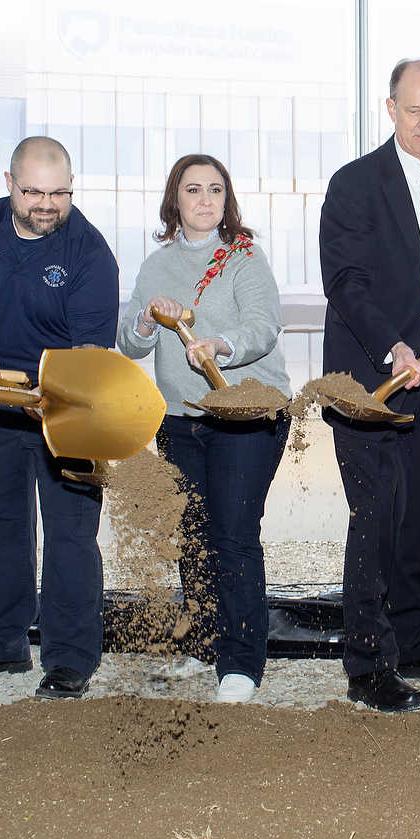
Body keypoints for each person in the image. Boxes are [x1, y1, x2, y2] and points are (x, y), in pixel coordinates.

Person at [0, 136, 118, 701]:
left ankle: (70, 657)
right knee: (1, 522)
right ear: (9, 183)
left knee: (70, 535)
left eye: (59, 192)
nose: (47, 204)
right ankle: (1, 643)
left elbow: (90, 359)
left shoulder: (88, 251)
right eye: (33, 190)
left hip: (68, 410)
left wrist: (49, 397)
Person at [319, 58, 420, 713]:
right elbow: (346, 282)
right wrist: (394, 346)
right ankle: (367, 663)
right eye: (412, 109)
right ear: (389, 109)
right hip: (369, 384)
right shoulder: (355, 183)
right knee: (377, 520)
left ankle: (419, 641)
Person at [118, 154, 291, 704]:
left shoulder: (243, 256)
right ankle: (204, 643)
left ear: (227, 199)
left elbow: (264, 326)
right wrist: (148, 318)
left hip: (247, 414)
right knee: (192, 535)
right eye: (193, 190)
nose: (205, 199)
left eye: (215, 189)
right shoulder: (155, 266)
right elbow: (131, 342)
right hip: (179, 417)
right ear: (175, 200)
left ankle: (243, 663)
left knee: (232, 535)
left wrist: (220, 345)